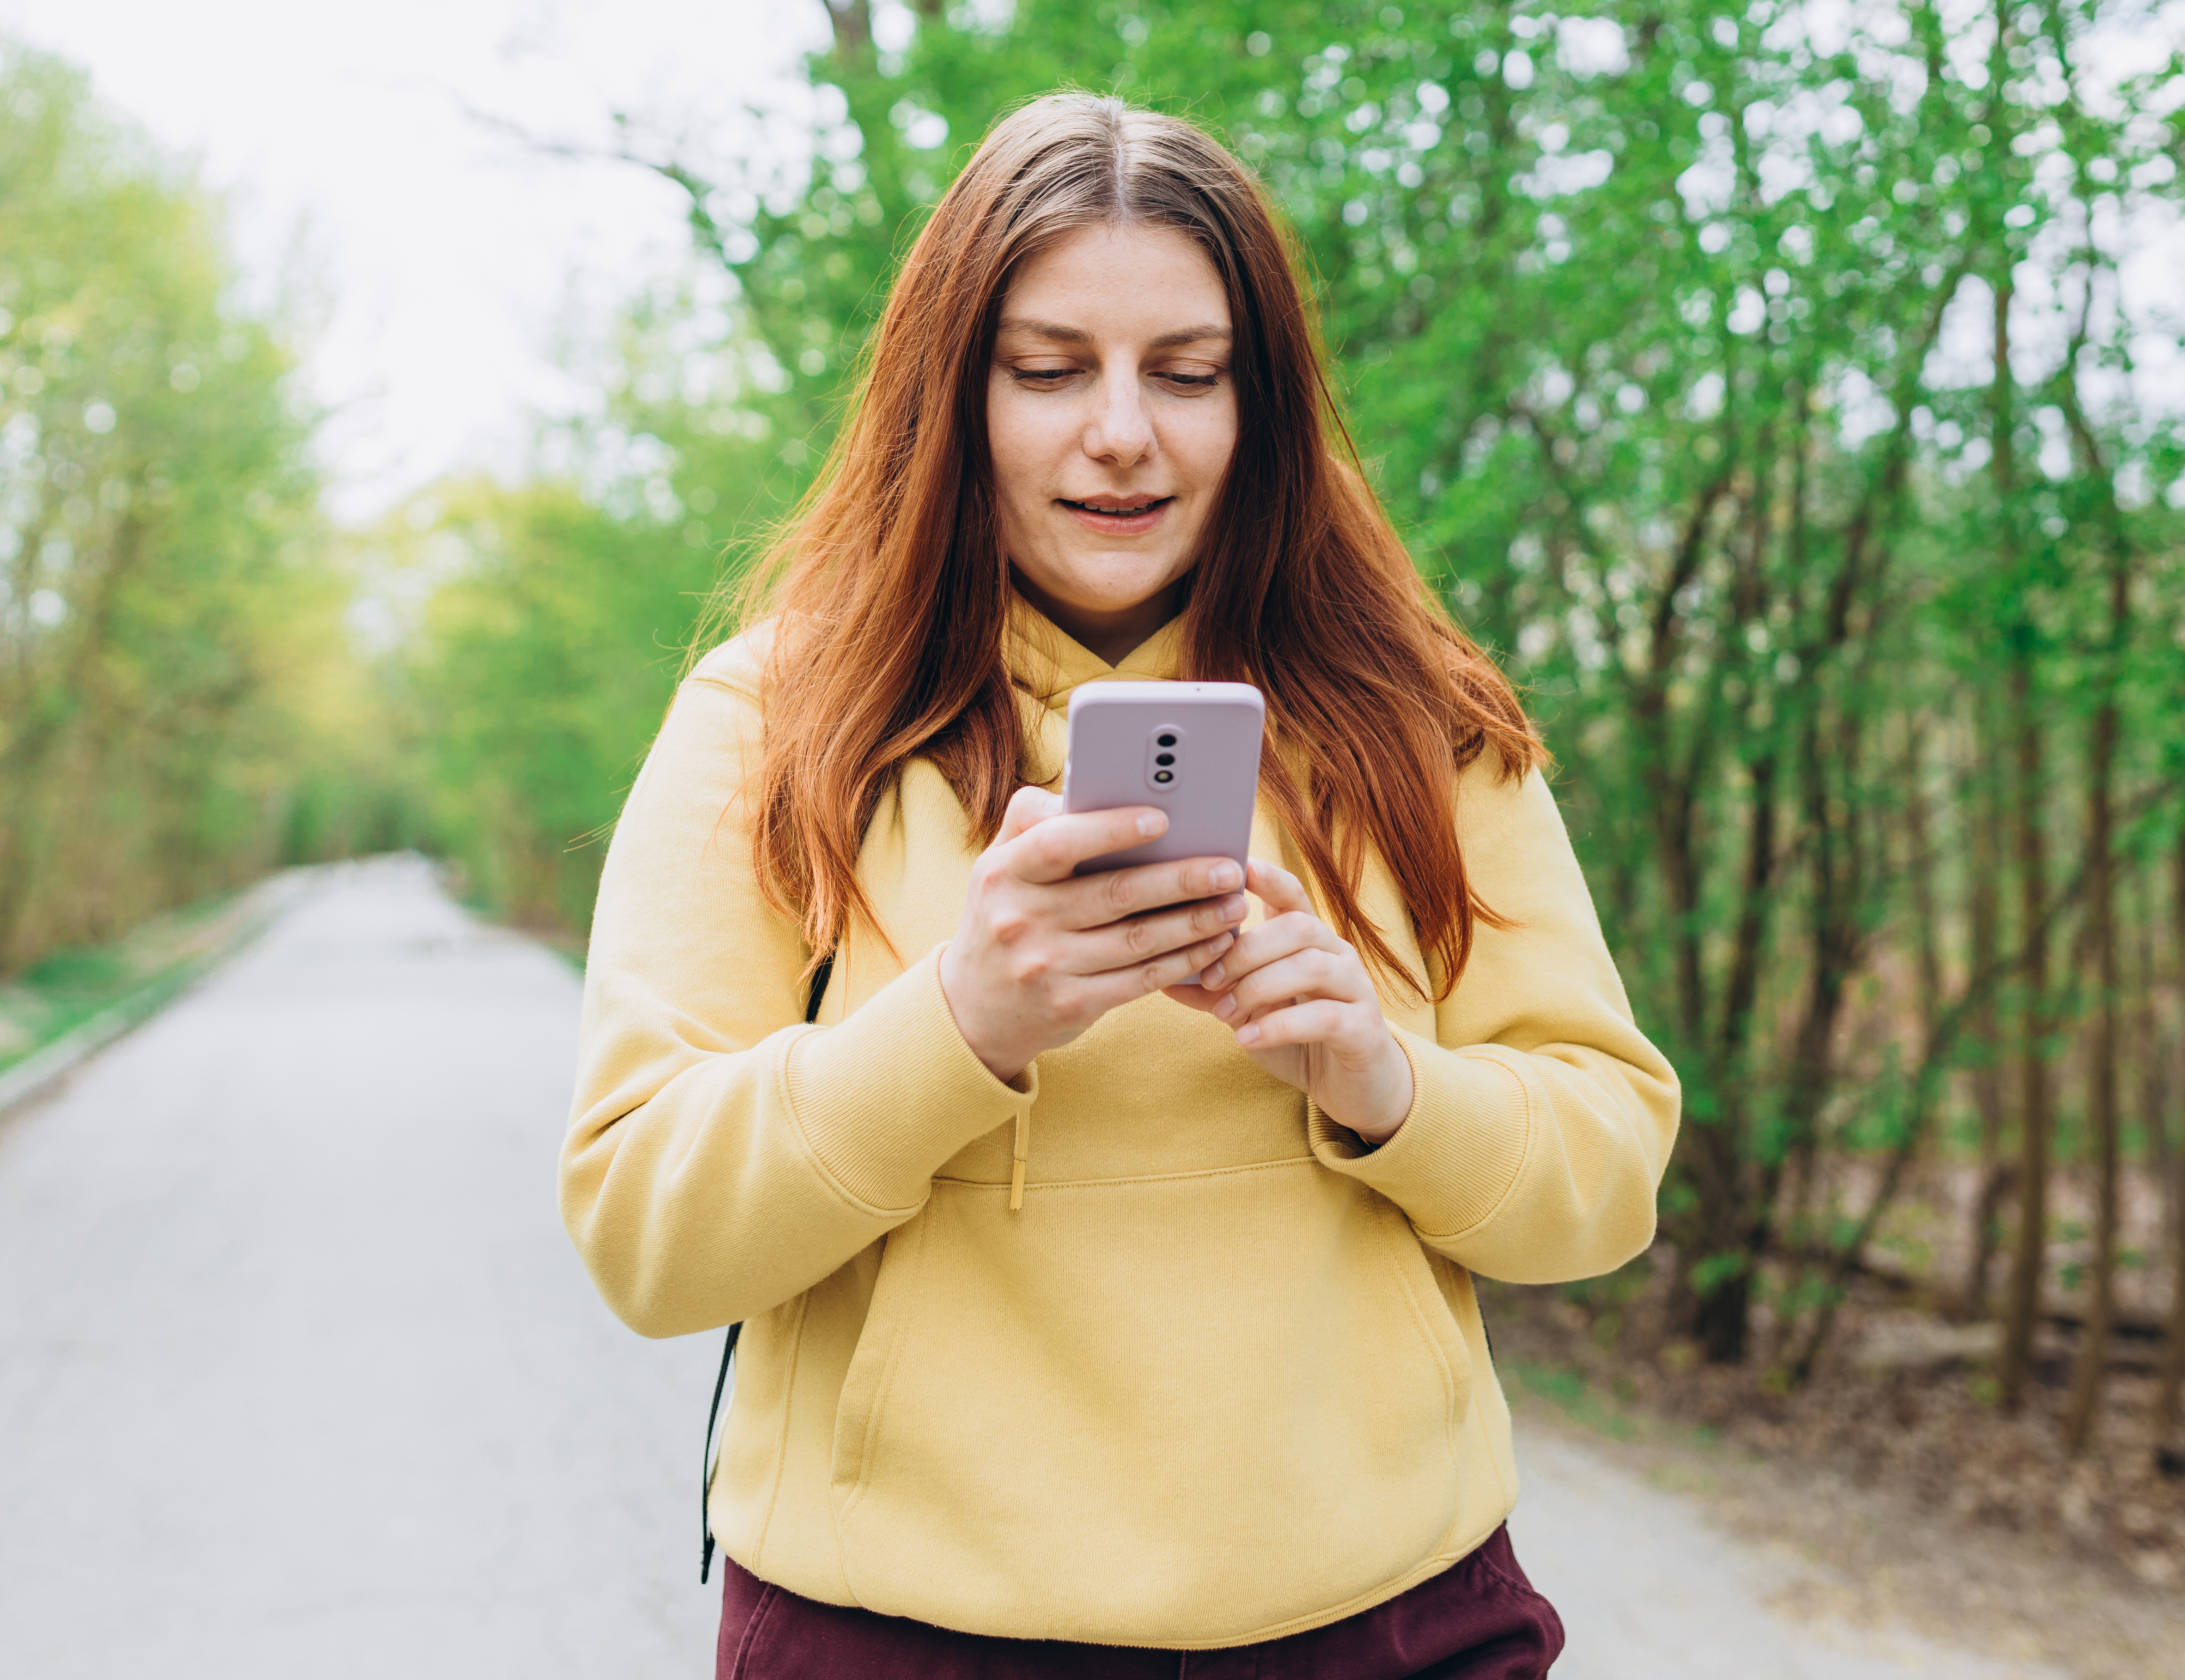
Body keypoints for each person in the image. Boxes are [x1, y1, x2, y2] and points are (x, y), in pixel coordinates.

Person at [562, 93, 1679, 1677]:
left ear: (1261, 408)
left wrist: (1384, 1083)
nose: (1122, 433)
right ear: (952, 398)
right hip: (904, 1639)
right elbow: (644, 1235)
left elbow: (1610, 1173)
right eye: (1049, 369)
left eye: (1187, 373)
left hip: (1392, 1627)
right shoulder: (774, 724)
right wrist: (962, 1020)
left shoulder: (1421, 722)